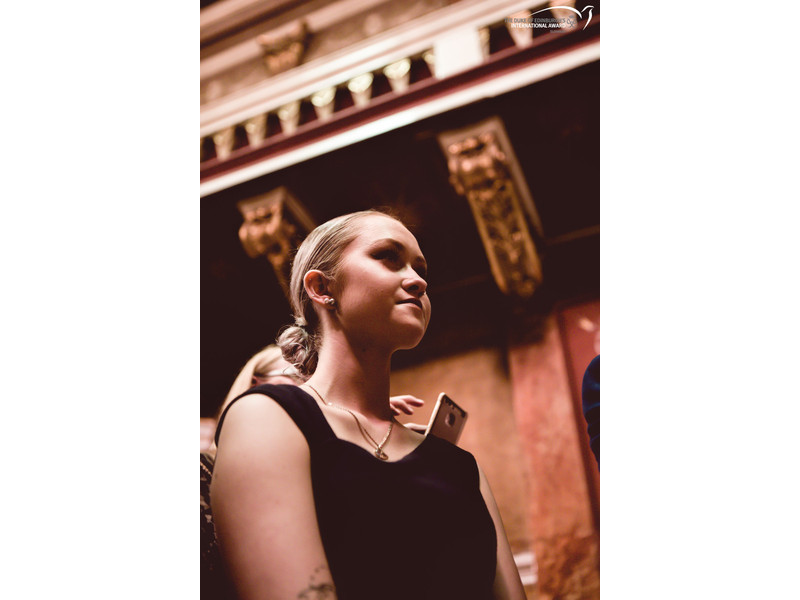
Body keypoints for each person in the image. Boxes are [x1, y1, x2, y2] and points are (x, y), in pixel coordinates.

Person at [210, 210, 526, 600]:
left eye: (420, 269)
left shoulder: (460, 465)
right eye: (388, 257)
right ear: (322, 288)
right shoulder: (266, 417)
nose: (419, 280)